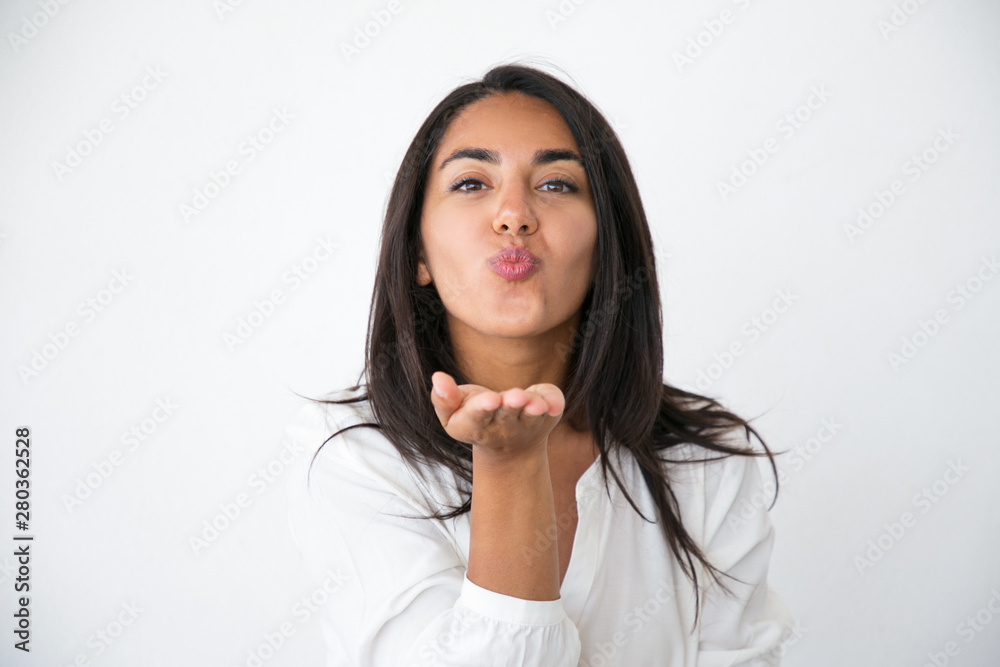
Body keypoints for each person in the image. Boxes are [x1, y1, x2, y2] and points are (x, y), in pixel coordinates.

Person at [284, 61, 795, 666]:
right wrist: (508, 464)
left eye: (555, 184)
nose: (514, 215)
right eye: (472, 183)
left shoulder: (703, 458)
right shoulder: (353, 456)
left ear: (608, 244)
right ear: (417, 252)